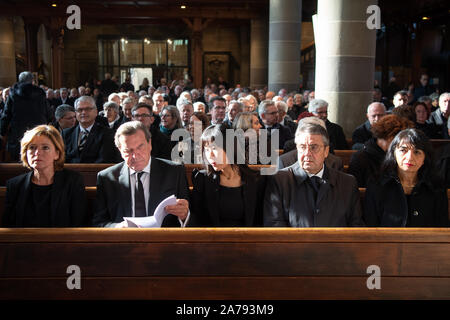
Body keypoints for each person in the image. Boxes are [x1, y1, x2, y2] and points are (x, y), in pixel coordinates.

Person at [263, 123, 364, 227]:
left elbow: (356, 225)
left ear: (326, 151)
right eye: (302, 147)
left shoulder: (347, 183)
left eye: (314, 147)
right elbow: (274, 225)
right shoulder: (280, 180)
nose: (307, 153)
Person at [93, 121, 190, 228]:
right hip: (124, 241)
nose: (135, 156)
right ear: (120, 150)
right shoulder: (107, 178)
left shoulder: (174, 172)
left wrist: (185, 216)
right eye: (128, 151)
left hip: (164, 241)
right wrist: (117, 228)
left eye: (140, 147)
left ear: (150, 144)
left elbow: (193, 217)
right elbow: (99, 222)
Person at [2, 125, 87, 227]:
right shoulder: (15, 185)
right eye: (32, 148)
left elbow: (79, 223)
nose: (37, 153)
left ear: (57, 153)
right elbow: (8, 227)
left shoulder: (73, 181)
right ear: (25, 153)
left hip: (63, 241)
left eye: (45, 148)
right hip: (23, 242)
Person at [364, 129, 449, 227]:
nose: (409, 157)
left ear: (425, 158)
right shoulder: (377, 184)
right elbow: (371, 225)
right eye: (403, 150)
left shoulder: (436, 186)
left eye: (417, 152)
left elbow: (442, 227)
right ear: (394, 153)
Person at [189, 124, 265, 227]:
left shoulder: (256, 178)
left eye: (214, 148)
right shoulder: (202, 179)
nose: (210, 155)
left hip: (248, 240)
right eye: (206, 149)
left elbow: (260, 219)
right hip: (213, 240)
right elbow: (197, 219)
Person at [348, 114, 413, 187]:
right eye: (400, 139)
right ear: (391, 137)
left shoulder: (397, 156)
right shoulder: (360, 158)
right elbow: (354, 189)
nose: (401, 144)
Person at [0, 71, 53, 160]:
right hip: (37, 132)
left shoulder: (13, 94)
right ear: (32, 81)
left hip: (18, 133)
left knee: (19, 160)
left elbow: (6, 115)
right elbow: (49, 114)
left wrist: (2, 131)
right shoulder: (40, 93)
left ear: (19, 80)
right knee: (37, 158)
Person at [62, 96, 120, 163]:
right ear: (75, 113)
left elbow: (104, 159)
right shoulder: (66, 134)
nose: (83, 112)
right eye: (80, 110)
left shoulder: (107, 134)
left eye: (87, 109)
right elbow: (63, 158)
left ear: (96, 112)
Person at [278, 117, 344, 171]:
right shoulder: (284, 162)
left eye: (314, 147)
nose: (307, 153)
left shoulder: (335, 162)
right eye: (303, 146)